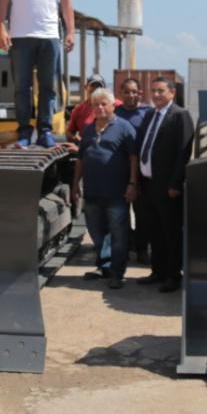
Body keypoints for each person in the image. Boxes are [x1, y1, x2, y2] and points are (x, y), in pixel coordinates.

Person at [0, 0, 75, 148]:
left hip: (50, 36)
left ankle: (45, 130)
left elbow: (66, 3)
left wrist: (70, 31)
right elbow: (3, 0)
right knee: (22, 87)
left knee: (49, 86)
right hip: (21, 36)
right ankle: (23, 130)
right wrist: (1, 29)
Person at [71, 87, 139, 289]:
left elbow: (133, 158)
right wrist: (75, 183)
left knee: (118, 235)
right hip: (92, 193)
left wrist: (133, 183)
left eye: (103, 104)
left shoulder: (125, 128)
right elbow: (81, 158)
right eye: (96, 104)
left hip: (116, 193)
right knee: (96, 232)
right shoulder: (89, 130)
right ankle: (105, 266)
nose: (99, 108)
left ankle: (117, 273)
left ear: (112, 106)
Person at [134, 76, 194, 293]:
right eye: (153, 91)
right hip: (148, 185)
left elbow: (183, 152)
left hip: (167, 187)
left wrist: (175, 183)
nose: (156, 95)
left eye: (160, 91)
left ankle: (172, 276)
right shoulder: (150, 114)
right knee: (154, 232)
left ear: (172, 93)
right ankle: (157, 272)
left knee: (171, 234)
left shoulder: (180, 116)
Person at [114, 78, 152, 265]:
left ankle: (142, 248)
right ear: (120, 94)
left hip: (143, 173)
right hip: (120, 171)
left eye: (134, 92)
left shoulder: (148, 114)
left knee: (142, 213)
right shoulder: (115, 113)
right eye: (127, 92)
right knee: (121, 214)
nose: (131, 95)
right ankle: (128, 246)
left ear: (140, 93)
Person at [67, 73, 121, 143]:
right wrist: (77, 139)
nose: (95, 89)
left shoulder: (115, 104)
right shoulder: (78, 109)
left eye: (98, 86)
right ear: (86, 87)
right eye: (92, 86)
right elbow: (69, 132)